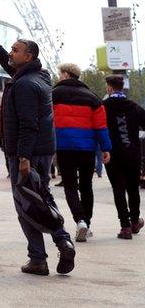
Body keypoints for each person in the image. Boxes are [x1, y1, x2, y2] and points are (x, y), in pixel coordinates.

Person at [0, 26, 75, 276]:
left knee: (26, 205)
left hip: (26, 153)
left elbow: (29, 124)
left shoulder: (25, 85)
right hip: (43, 150)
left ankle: (38, 258)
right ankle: (63, 241)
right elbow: (11, 67)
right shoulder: (39, 77)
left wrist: (23, 157)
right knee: (42, 198)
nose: (11, 54)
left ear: (29, 57)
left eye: (15, 50)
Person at [51, 62, 111, 242]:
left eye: (60, 73)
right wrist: (105, 148)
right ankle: (87, 223)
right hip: (87, 148)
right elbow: (101, 126)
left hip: (64, 147)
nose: (59, 76)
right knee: (86, 186)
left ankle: (80, 221)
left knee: (70, 186)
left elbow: (47, 121)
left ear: (66, 74)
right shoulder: (92, 97)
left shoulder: (54, 94)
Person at [101, 75, 144, 239]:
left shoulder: (103, 107)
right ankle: (134, 221)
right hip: (132, 154)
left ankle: (124, 226)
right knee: (133, 189)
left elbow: (99, 127)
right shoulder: (134, 107)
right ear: (122, 87)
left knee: (118, 189)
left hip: (113, 155)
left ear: (109, 88)